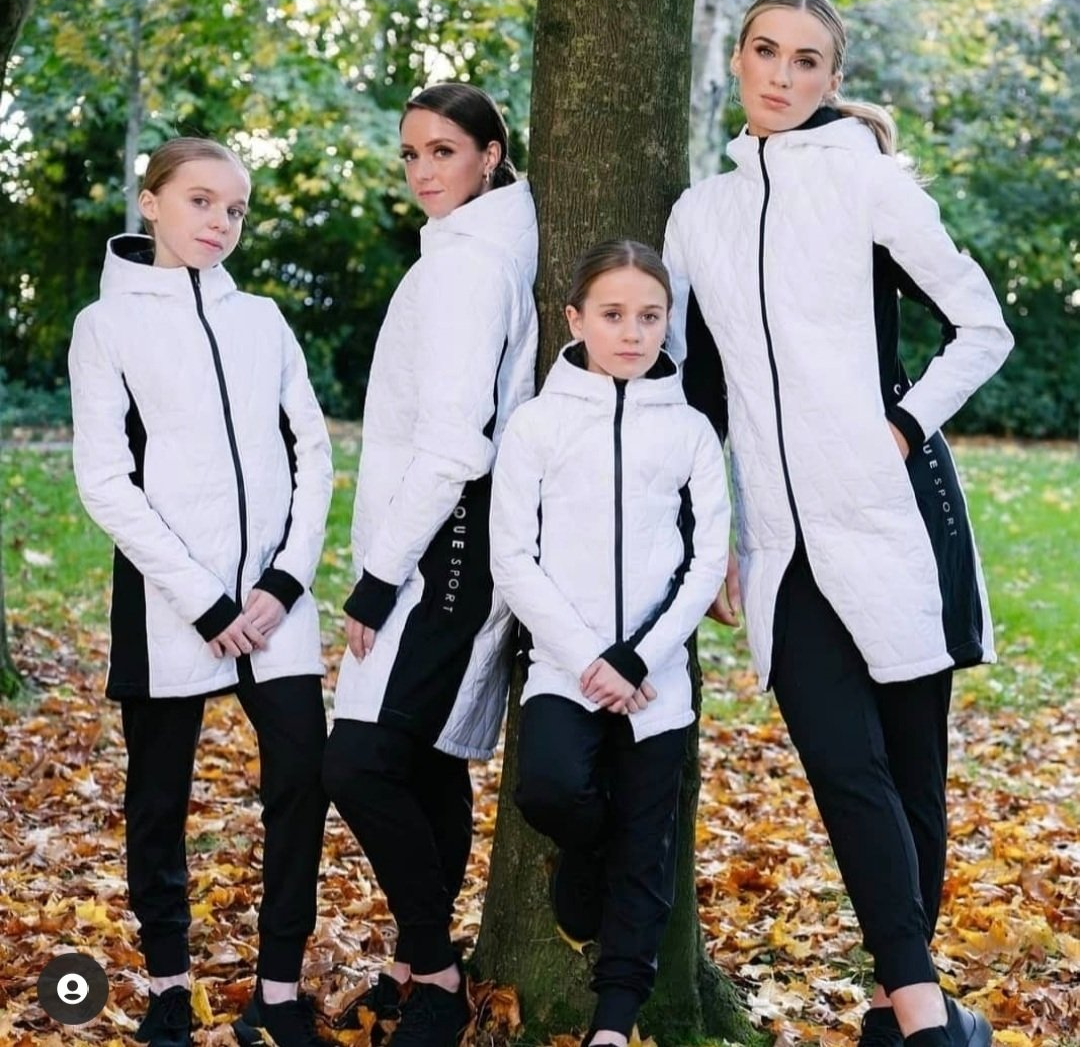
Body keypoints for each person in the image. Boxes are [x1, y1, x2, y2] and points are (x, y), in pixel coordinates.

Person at [663, 2, 1014, 1046]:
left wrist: (902, 425)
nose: (780, 75)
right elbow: (695, 387)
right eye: (764, 52)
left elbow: (980, 324)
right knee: (844, 767)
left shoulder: (867, 180)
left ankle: (892, 1005)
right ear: (738, 61)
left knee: (913, 779)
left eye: (804, 60)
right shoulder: (700, 215)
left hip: (898, 518)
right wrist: (709, 525)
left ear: (828, 78)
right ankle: (924, 1016)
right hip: (781, 546)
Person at [69, 137, 335, 1047]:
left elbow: (314, 451)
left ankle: (278, 987)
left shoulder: (263, 319)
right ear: (151, 202)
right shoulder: (104, 328)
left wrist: (284, 580)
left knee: (303, 775)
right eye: (199, 202)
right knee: (158, 797)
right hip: (166, 604)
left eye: (234, 209)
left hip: (276, 603)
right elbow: (105, 481)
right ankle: (167, 984)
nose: (219, 222)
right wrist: (206, 602)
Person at [321, 82, 538, 1047]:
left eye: (443, 151)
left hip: (448, 539)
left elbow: (456, 442)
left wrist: (379, 572)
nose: (421, 173)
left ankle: (439, 975)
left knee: (361, 760)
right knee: (426, 755)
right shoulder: (471, 248)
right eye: (410, 154)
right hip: (457, 532)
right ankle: (420, 966)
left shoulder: (467, 265)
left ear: (491, 154)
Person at [490, 240, 731, 1047]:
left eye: (650, 316)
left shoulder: (692, 431)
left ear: (669, 322)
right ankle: (579, 861)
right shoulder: (537, 424)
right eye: (614, 314)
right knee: (551, 790)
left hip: (656, 678)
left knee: (646, 847)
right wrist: (591, 654)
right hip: (564, 666)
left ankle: (614, 1022)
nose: (633, 332)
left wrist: (640, 657)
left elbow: (706, 560)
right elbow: (512, 556)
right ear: (575, 319)